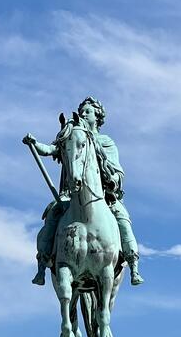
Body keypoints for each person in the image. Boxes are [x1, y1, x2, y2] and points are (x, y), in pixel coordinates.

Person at [23, 97, 143, 288]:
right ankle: (42, 264)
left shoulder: (105, 141)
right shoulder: (71, 135)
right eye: (82, 111)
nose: (83, 114)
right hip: (70, 194)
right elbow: (52, 149)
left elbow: (118, 171)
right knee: (53, 215)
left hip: (104, 195)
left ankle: (133, 262)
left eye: (88, 111)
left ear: (97, 117)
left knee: (122, 218)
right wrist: (35, 144)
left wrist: (112, 179)